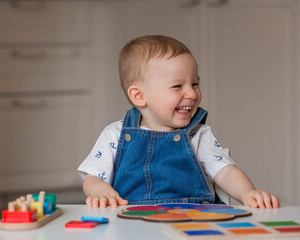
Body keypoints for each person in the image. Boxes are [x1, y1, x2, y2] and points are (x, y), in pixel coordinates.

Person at [78, 35, 280, 209]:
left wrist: (248, 194)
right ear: (139, 96)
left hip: (194, 221)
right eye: (177, 86)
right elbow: (92, 177)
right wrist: (99, 190)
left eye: (195, 84)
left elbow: (225, 172)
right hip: (130, 223)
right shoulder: (115, 134)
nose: (192, 94)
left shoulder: (198, 135)